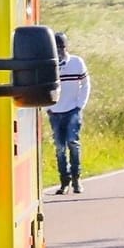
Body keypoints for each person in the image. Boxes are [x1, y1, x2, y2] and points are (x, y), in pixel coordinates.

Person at [48, 32, 90, 194]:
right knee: (59, 147)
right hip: (55, 111)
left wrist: (80, 105)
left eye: (62, 47)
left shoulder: (76, 62)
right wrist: (48, 107)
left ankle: (76, 179)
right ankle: (64, 181)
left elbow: (86, 84)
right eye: (57, 47)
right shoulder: (50, 65)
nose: (60, 51)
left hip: (72, 110)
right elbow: (46, 86)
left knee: (73, 143)